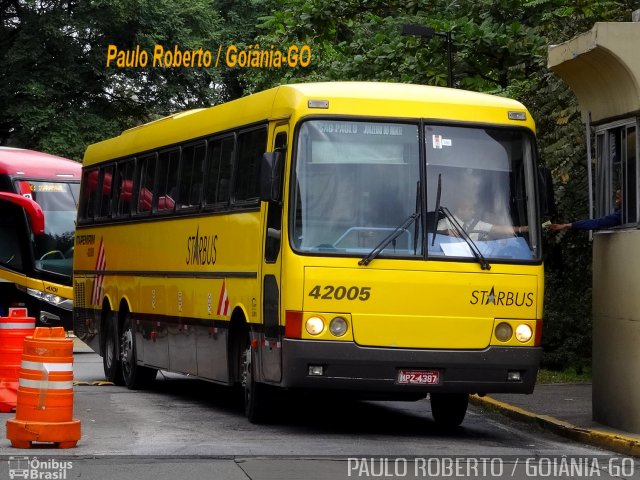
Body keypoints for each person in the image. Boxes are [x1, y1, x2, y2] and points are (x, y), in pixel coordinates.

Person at [437, 198, 527, 240]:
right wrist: (445, 232)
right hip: (452, 259)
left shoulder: (477, 224)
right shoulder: (445, 222)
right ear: (460, 210)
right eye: (470, 209)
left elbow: (498, 228)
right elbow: (432, 237)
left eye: (473, 209)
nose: (473, 212)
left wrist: (521, 229)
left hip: (474, 260)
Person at [549, 190, 622, 231]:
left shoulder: (622, 214)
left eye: (618, 198)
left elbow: (597, 223)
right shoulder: (622, 213)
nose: (616, 201)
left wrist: (566, 226)